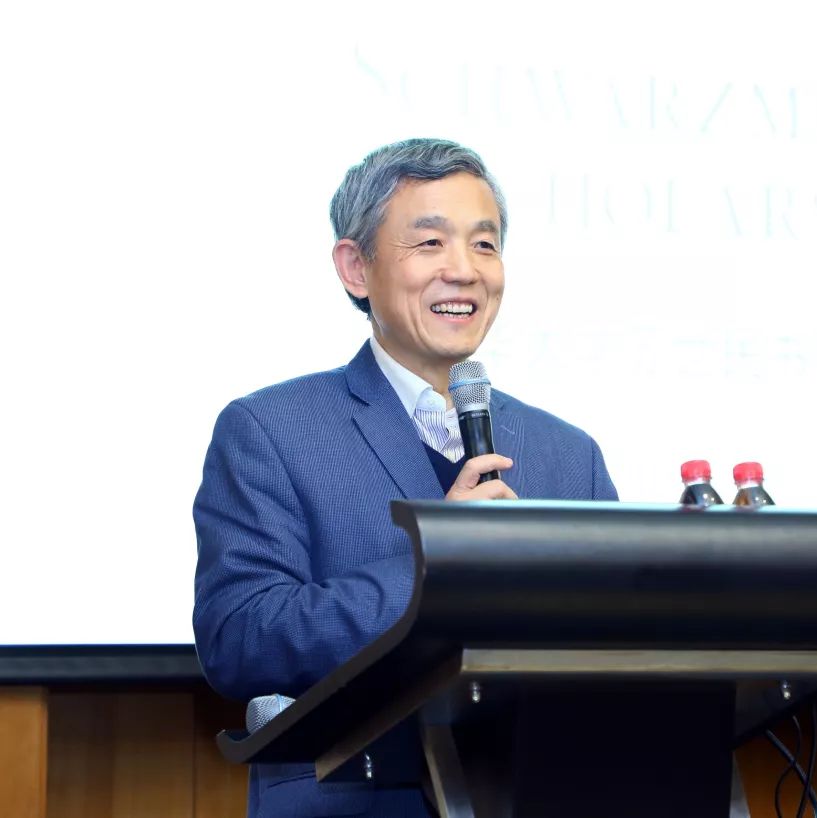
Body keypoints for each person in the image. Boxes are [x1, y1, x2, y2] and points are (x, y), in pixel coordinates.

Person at [192, 138, 618, 818]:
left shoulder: (569, 454)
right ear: (355, 267)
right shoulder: (271, 430)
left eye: (485, 244)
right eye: (429, 244)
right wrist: (438, 567)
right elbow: (241, 639)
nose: (464, 271)